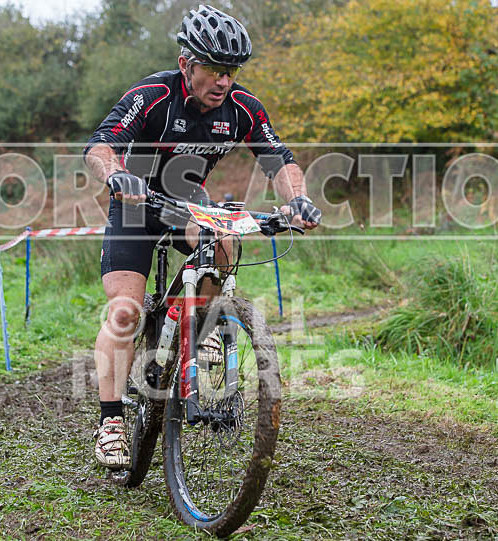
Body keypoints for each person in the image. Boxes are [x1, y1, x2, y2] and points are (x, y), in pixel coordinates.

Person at [83, 4, 322, 470]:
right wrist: (115, 174)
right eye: (213, 69)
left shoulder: (243, 108)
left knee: (224, 238)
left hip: (188, 204)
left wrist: (297, 200)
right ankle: (111, 422)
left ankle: (204, 326)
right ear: (185, 64)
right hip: (135, 205)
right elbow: (100, 144)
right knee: (125, 311)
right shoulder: (153, 95)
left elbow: (280, 160)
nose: (223, 81)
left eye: (231, 71)